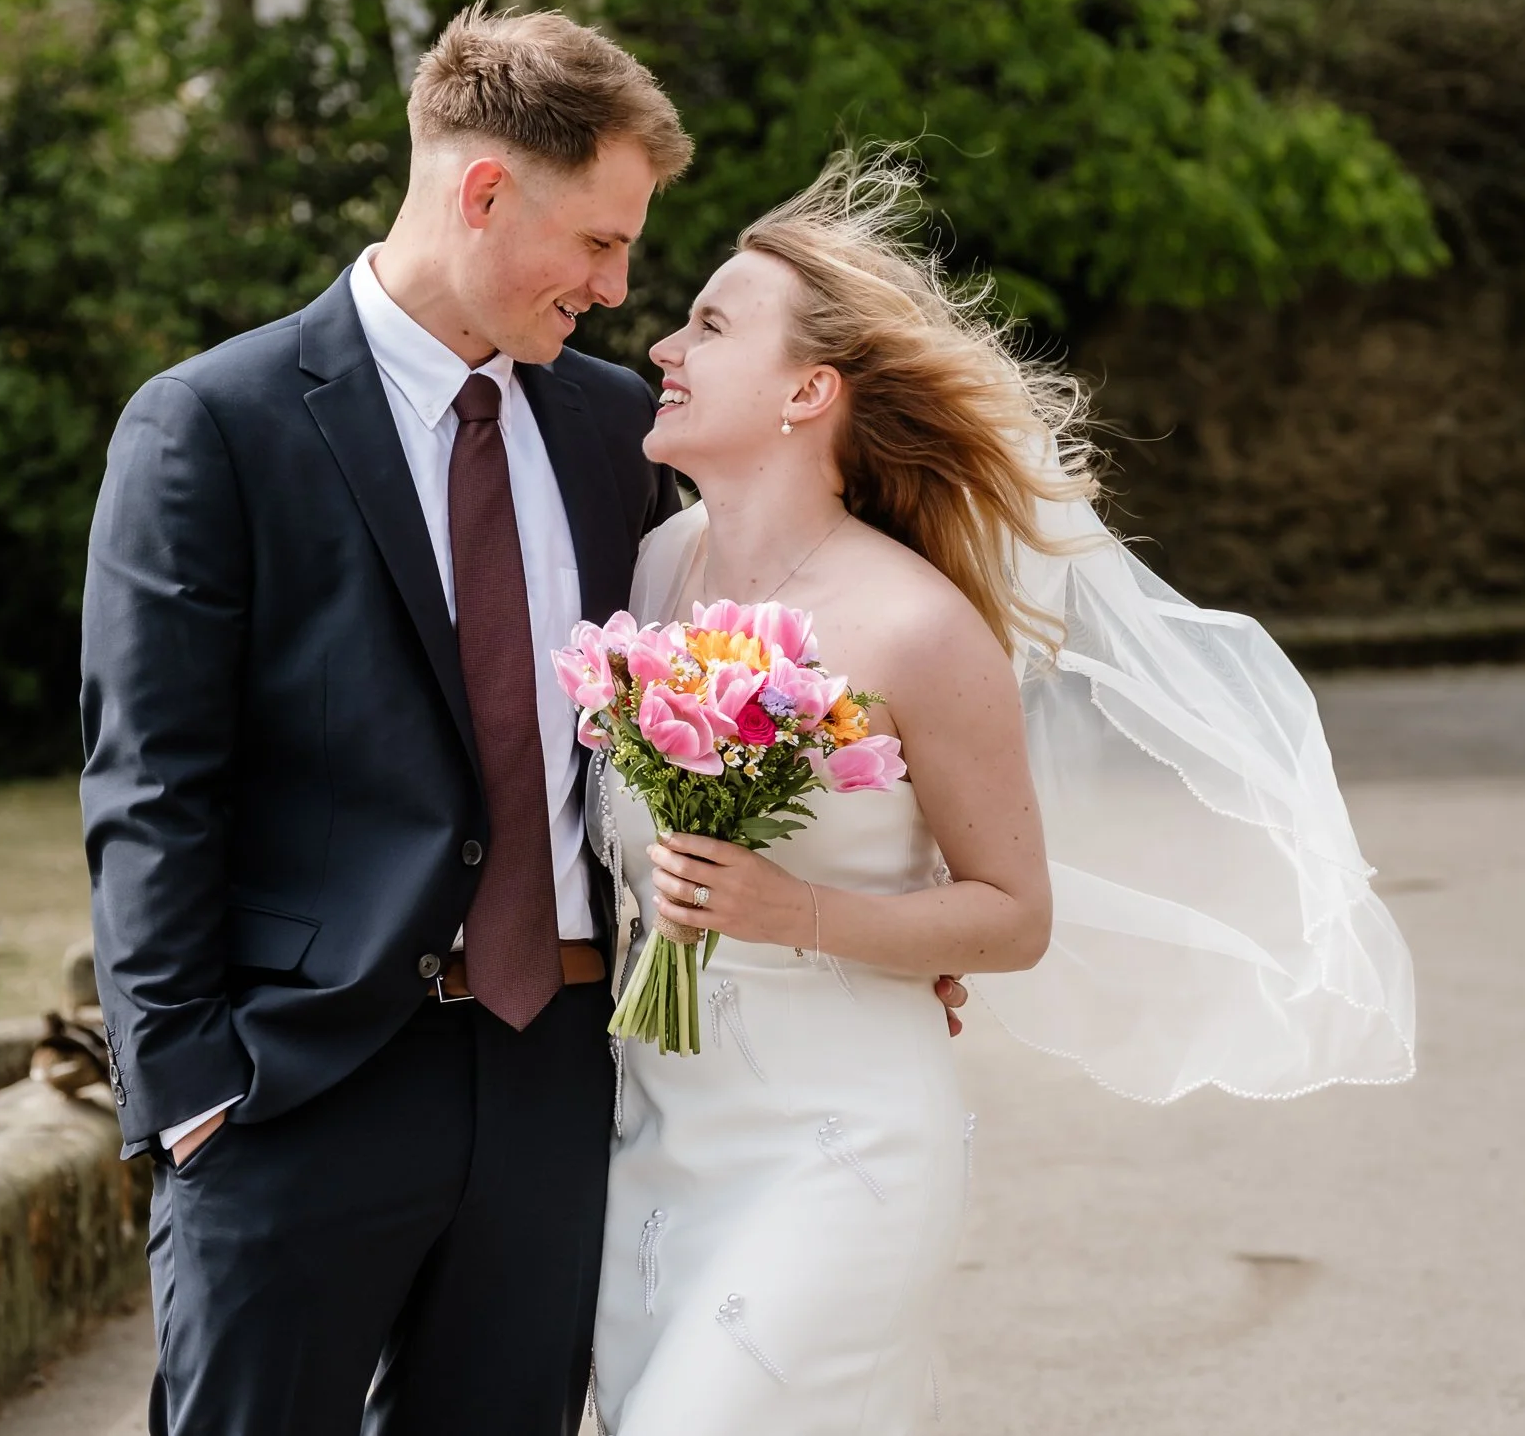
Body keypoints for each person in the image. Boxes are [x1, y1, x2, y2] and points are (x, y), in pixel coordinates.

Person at [589, 154, 1417, 1433]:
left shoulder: (917, 628)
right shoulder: (653, 567)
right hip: (656, 1123)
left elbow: (1010, 914)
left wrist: (796, 912)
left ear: (810, 391)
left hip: (838, 1137)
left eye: (709, 323)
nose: (662, 342)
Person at [79, 4, 690, 1435]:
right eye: (600, 242)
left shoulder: (611, 432)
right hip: (293, 1092)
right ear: (485, 193)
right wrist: (189, 1097)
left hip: (555, 1077)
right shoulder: (212, 424)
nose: (615, 287)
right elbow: (153, 782)